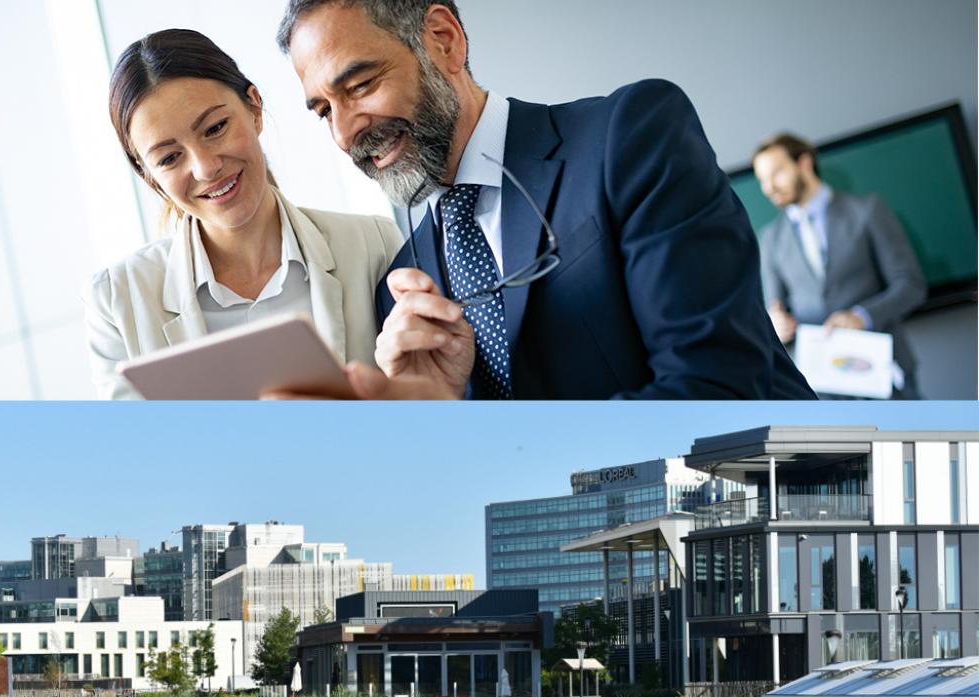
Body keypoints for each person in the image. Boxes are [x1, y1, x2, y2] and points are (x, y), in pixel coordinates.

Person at [275, 0, 816, 400]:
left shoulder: (629, 136)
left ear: (444, 40)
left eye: (361, 85)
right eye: (323, 111)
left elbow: (717, 388)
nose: (344, 134)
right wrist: (441, 425)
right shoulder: (401, 293)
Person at [83, 29, 404, 399]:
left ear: (253, 108)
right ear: (148, 175)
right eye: (170, 158)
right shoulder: (116, 301)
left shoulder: (374, 247)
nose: (205, 168)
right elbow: (136, 450)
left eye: (215, 128)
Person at [752, 133, 927, 398]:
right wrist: (774, 325)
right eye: (762, 180)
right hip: (821, 388)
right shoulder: (770, 239)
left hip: (886, 377)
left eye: (776, 173)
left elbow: (910, 285)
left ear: (804, 163)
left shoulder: (868, 210)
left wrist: (861, 316)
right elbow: (774, 309)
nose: (769, 188)